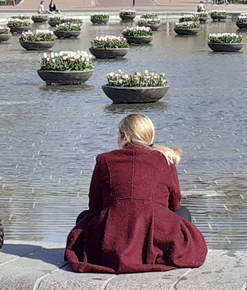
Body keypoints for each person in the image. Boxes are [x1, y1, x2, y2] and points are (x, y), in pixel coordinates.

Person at [65, 114, 207, 274]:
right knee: (183, 213)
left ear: (124, 136)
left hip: (112, 241)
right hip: (157, 236)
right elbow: (175, 205)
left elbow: (95, 206)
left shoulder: (104, 160)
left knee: (83, 218)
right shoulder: (166, 160)